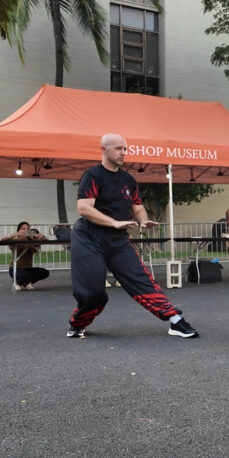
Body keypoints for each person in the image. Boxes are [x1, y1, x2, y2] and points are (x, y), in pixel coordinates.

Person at [66, 133, 199, 339]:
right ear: (103, 149)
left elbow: (138, 208)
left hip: (117, 240)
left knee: (142, 280)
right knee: (92, 291)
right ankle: (78, 323)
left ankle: (175, 320)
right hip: (89, 238)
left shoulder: (128, 180)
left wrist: (143, 220)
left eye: (125, 149)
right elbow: (84, 208)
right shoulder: (92, 176)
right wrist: (114, 222)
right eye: (119, 148)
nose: (123, 153)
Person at [1, 222, 50, 290]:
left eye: (27, 229)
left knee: (45, 273)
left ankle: (23, 283)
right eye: (23, 229)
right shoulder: (15, 239)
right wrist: (17, 234)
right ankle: (23, 282)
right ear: (19, 230)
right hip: (16, 268)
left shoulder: (31, 240)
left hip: (28, 268)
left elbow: (46, 241)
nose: (25, 230)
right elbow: (3, 240)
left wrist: (42, 236)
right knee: (27, 276)